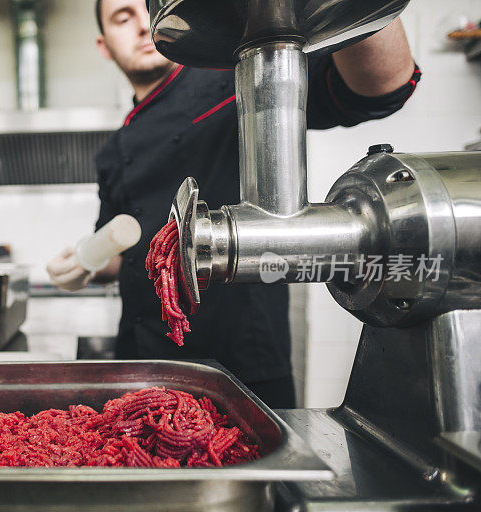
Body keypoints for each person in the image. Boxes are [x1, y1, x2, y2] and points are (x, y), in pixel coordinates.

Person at [47, 0, 420, 408]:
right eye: (122, 17)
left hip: (239, 367)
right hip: (142, 364)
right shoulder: (114, 150)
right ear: (104, 46)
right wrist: (84, 264)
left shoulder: (235, 72)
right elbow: (125, 253)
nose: (140, 26)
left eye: (145, 10)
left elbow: (380, 87)